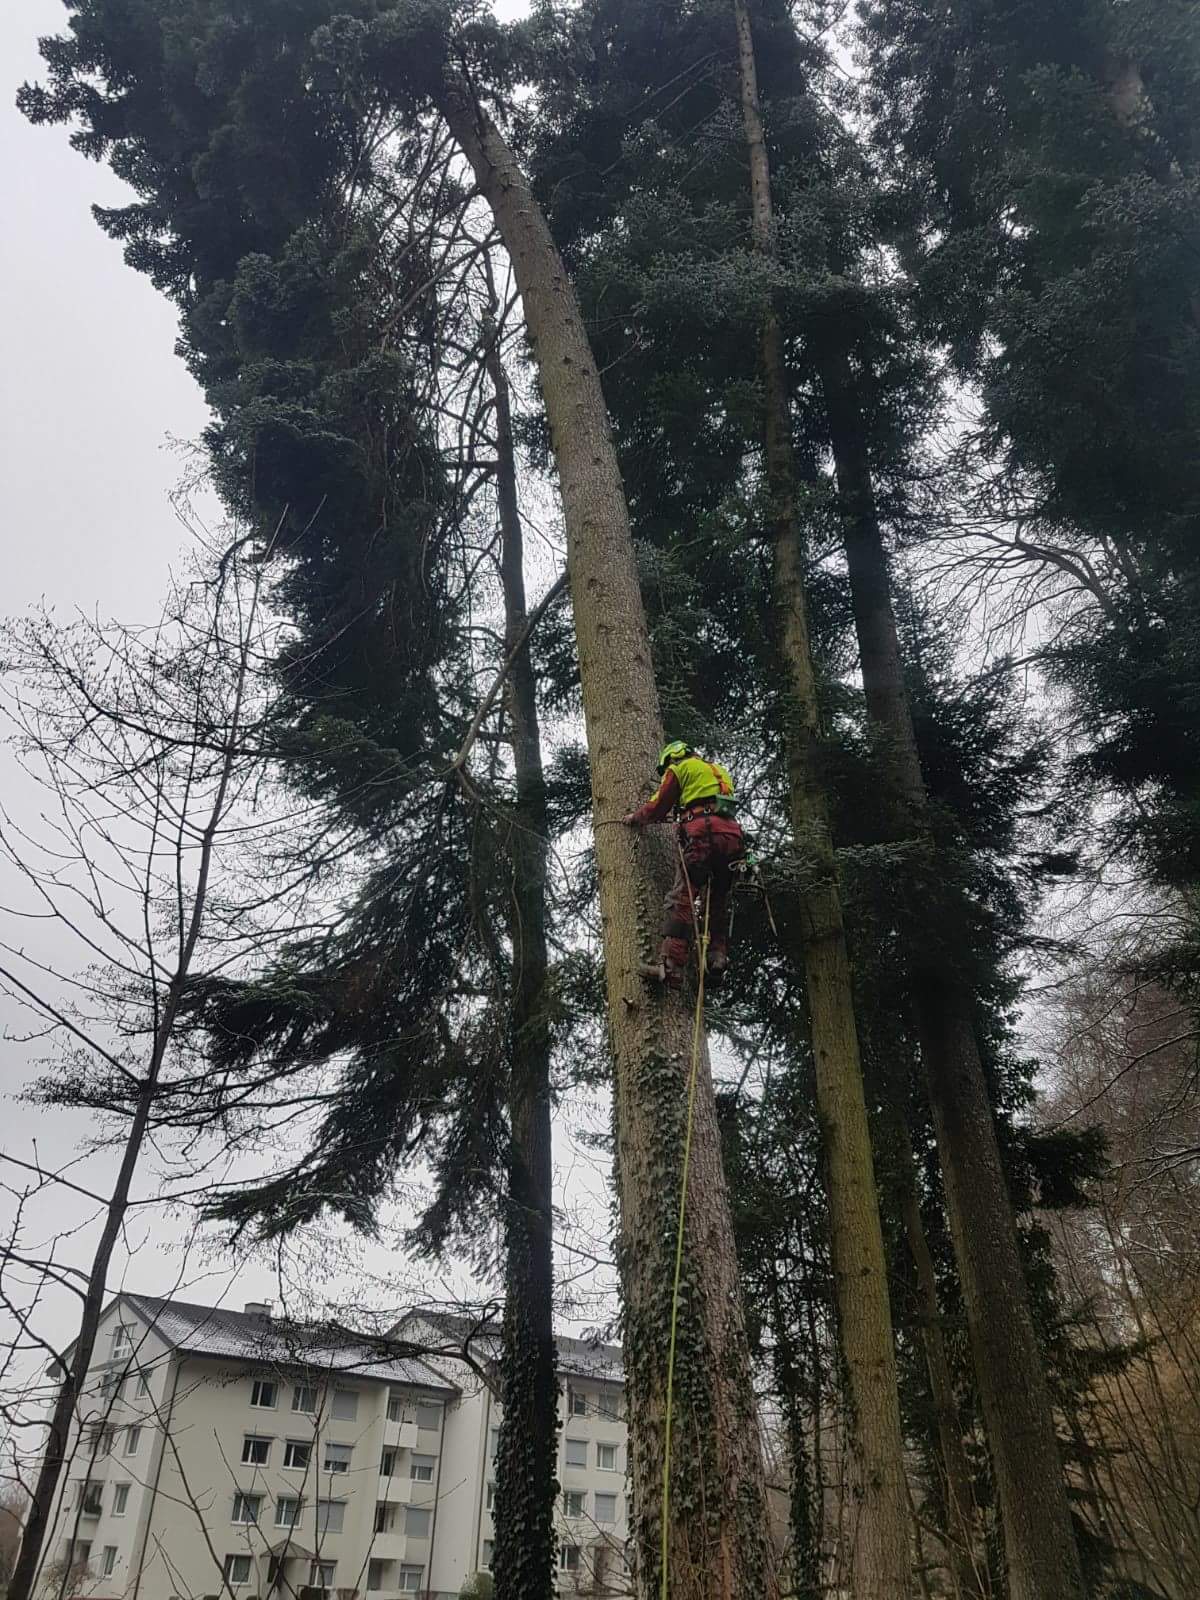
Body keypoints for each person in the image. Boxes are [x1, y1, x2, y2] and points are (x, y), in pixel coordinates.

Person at [623, 740, 745, 988]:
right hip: (732, 838)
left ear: (672, 757)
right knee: (717, 900)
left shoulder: (680, 768)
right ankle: (716, 958)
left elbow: (658, 806)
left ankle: (671, 966)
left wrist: (635, 817)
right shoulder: (718, 771)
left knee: (683, 897)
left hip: (703, 835)